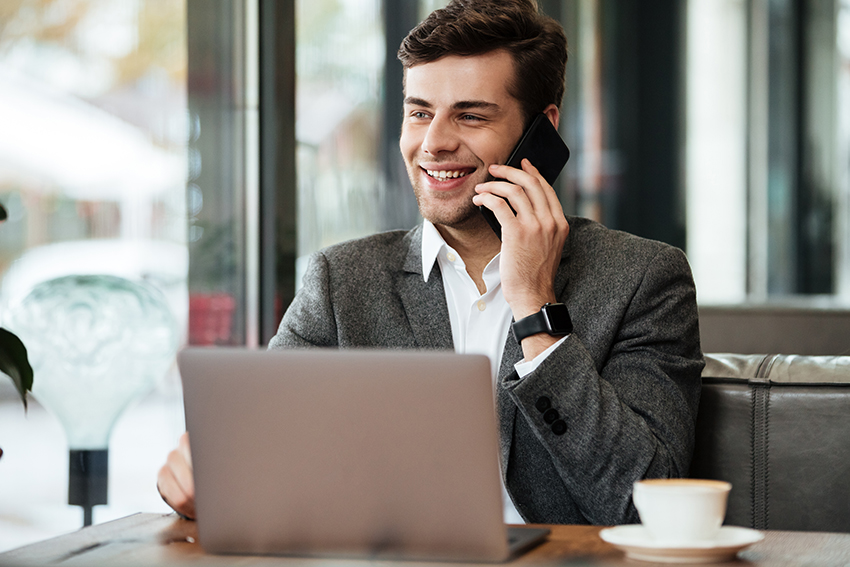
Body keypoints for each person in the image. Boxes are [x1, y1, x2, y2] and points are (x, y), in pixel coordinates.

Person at [158, 0, 703, 525]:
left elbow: (644, 507)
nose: (434, 143)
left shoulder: (643, 279)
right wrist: (207, 477)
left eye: (470, 115)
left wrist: (536, 309)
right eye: (419, 112)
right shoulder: (340, 281)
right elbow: (261, 454)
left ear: (543, 130)